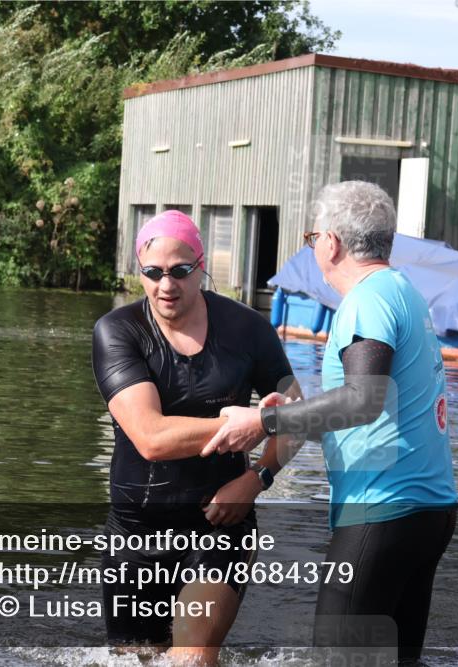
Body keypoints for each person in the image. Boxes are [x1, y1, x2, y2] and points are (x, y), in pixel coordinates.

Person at [202, 181, 458, 663]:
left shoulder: (367, 300)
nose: (313, 245)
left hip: (383, 511)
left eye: (311, 236)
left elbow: (364, 399)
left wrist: (264, 420)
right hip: (431, 509)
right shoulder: (402, 290)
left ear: (332, 243)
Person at [91, 210, 297, 665]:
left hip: (219, 521)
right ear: (139, 272)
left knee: (192, 657)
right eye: (153, 273)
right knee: (135, 660)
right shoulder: (119, 331)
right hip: (137, 529)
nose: (167, 285)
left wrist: (258, 477)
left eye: (181, 271)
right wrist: (250, 424)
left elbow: (295, 414)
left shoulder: (248, 329)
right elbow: (150, 437)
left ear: (202, 267)